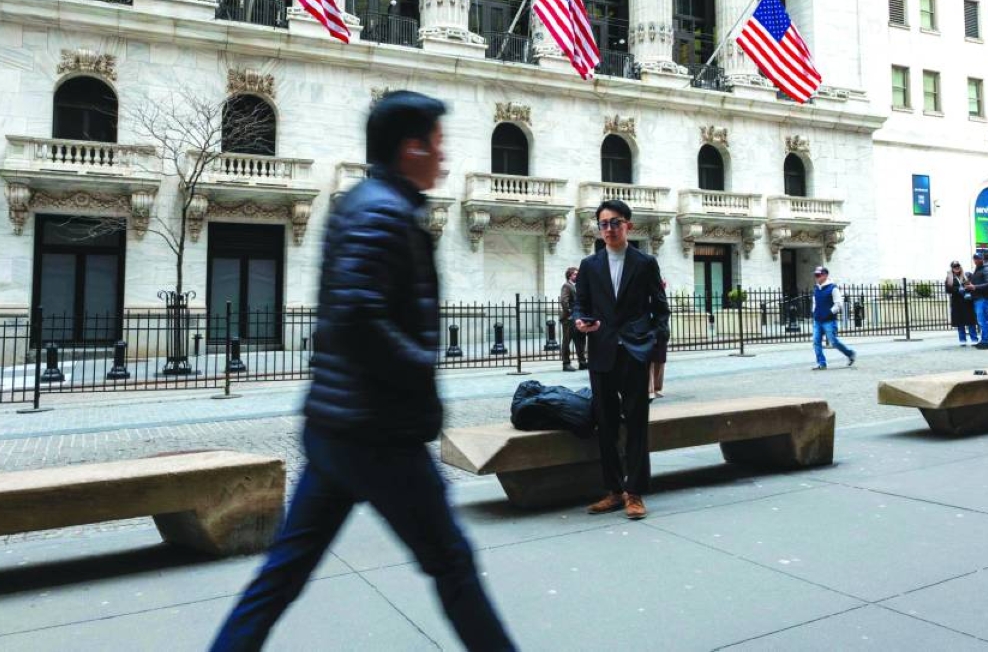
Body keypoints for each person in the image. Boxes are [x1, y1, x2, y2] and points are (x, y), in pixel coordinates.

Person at [211, 92, 516, 652]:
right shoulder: (383, 212)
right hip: (378, 433)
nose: (445, 156)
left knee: (283, 573)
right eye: (438, 142)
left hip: (338, 429)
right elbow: (356, 316)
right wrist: (421, 366)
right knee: (451, 562)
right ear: (411, 146)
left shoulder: (365, 203)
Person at [573, 199, 669, 521]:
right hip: (601, 351)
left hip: (634, 352)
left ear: (628, 224)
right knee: (606, 424)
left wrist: (653, 341)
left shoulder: (645, 263)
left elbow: (661, 308)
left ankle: (635, 493)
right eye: (603, 224)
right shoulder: (589, 266)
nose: (609, 229)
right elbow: (581, 305)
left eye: (615, 222)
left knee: (637, 424)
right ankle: (613, 491)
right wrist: (580, 322)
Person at [810, 265, 855, 370]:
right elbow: (814, 302)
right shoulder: (816, 288)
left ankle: (850, 354)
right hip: (818, 320)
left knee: (833, 341)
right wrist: (814, 312)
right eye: (815, 275)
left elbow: (838, 304)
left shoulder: (832, 288)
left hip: (829, 320)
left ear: (825, 275)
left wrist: (829, 313)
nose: (816, 277)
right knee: (816, 341)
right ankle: (821, 363)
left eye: (818, 275)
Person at [965, 251, 988, 349]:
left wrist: (974, 287)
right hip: (980, 299)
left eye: (978, 258)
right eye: (975, 258)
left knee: (983, 321)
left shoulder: (987, 269)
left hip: (984, 299)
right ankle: (985, 340)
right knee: (982, 320)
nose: (976, 260)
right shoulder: (979, 269)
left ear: (983, 259)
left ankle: (986, 341)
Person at [558, 266, 587, 372]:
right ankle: (566, 364)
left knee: (580, 340)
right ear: (570, 276)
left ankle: (582, 362)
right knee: (567, 341)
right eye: (575, 274)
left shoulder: (578, 286)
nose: (577, 275)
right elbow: (564, 301)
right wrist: (570, 313)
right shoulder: (567, 286)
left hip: (578, 318)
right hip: (569, 319)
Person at [944, 261, 979, 346]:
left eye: (958, 266)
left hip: (967, 302)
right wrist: (957, 290)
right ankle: (962, 340)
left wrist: (966, 289)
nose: (956, 267)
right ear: (952, 268)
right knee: (960, 322)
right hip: (957, 302)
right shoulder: (949, 278)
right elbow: (948, 289)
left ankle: (974, 339)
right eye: (954, 266)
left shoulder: (966, 275)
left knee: (971, 321)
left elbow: (972, 286)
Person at [648, 278, 669, 400]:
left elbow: (664, 313)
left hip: (661, 331)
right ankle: (650, 389)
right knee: (649, 361)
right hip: (650, 331)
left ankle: (656, 387)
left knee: (660, 360)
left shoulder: (661, 295)